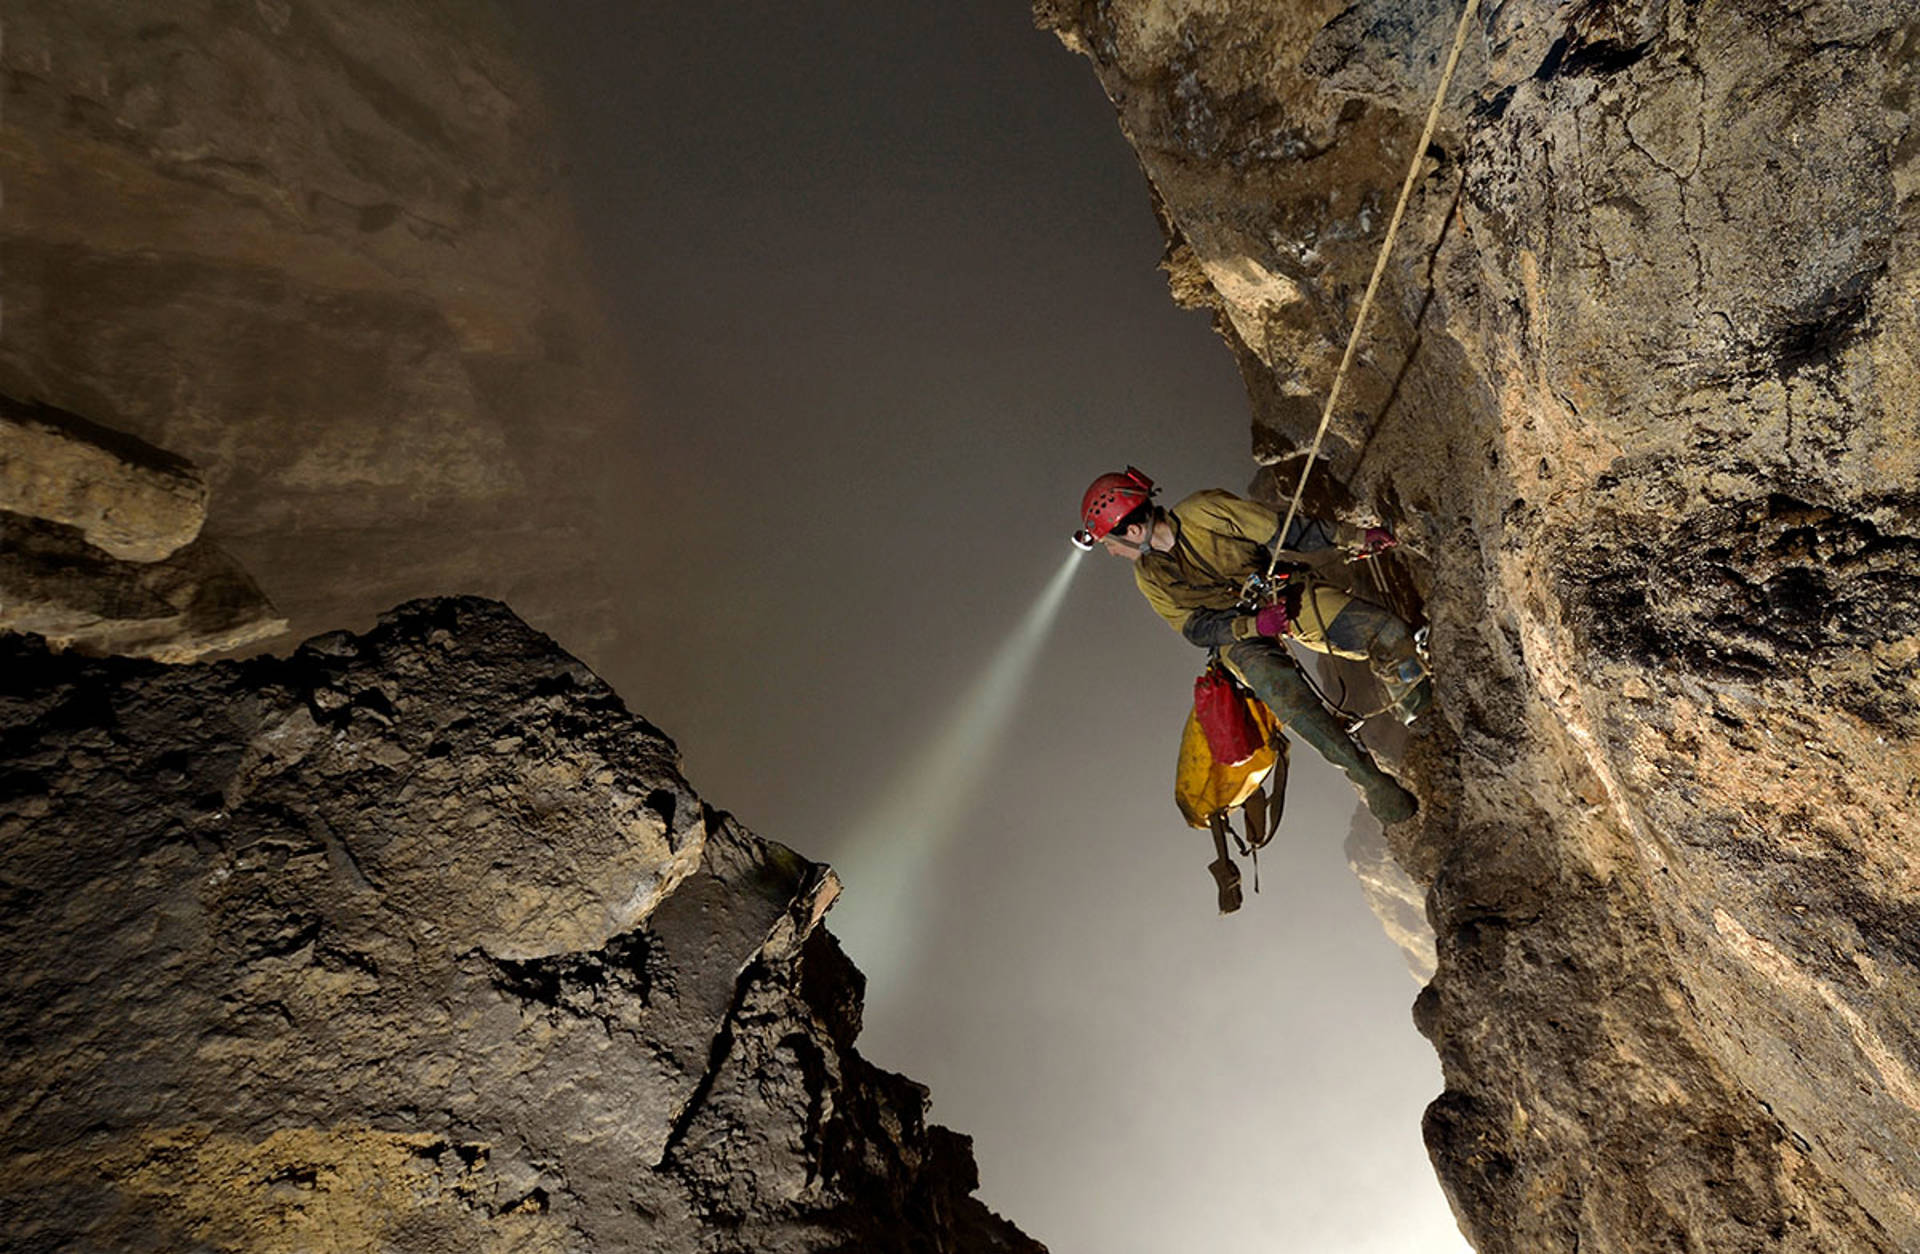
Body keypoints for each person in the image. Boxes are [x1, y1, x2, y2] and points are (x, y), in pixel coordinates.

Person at [1074, 467, 1429, 824]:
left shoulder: (1204, 512)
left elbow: (1287, 531)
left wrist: (1356, 537)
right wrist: (1252, 625)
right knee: (1285, 696)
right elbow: (1196, 628)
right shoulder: (1149, 577)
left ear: (1133, 531)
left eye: (1111, 543)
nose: (1113, 553)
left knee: (1385, 632)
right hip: (1236, 636)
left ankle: (1422, 717)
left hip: (1281, 596)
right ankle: (1367, 777)